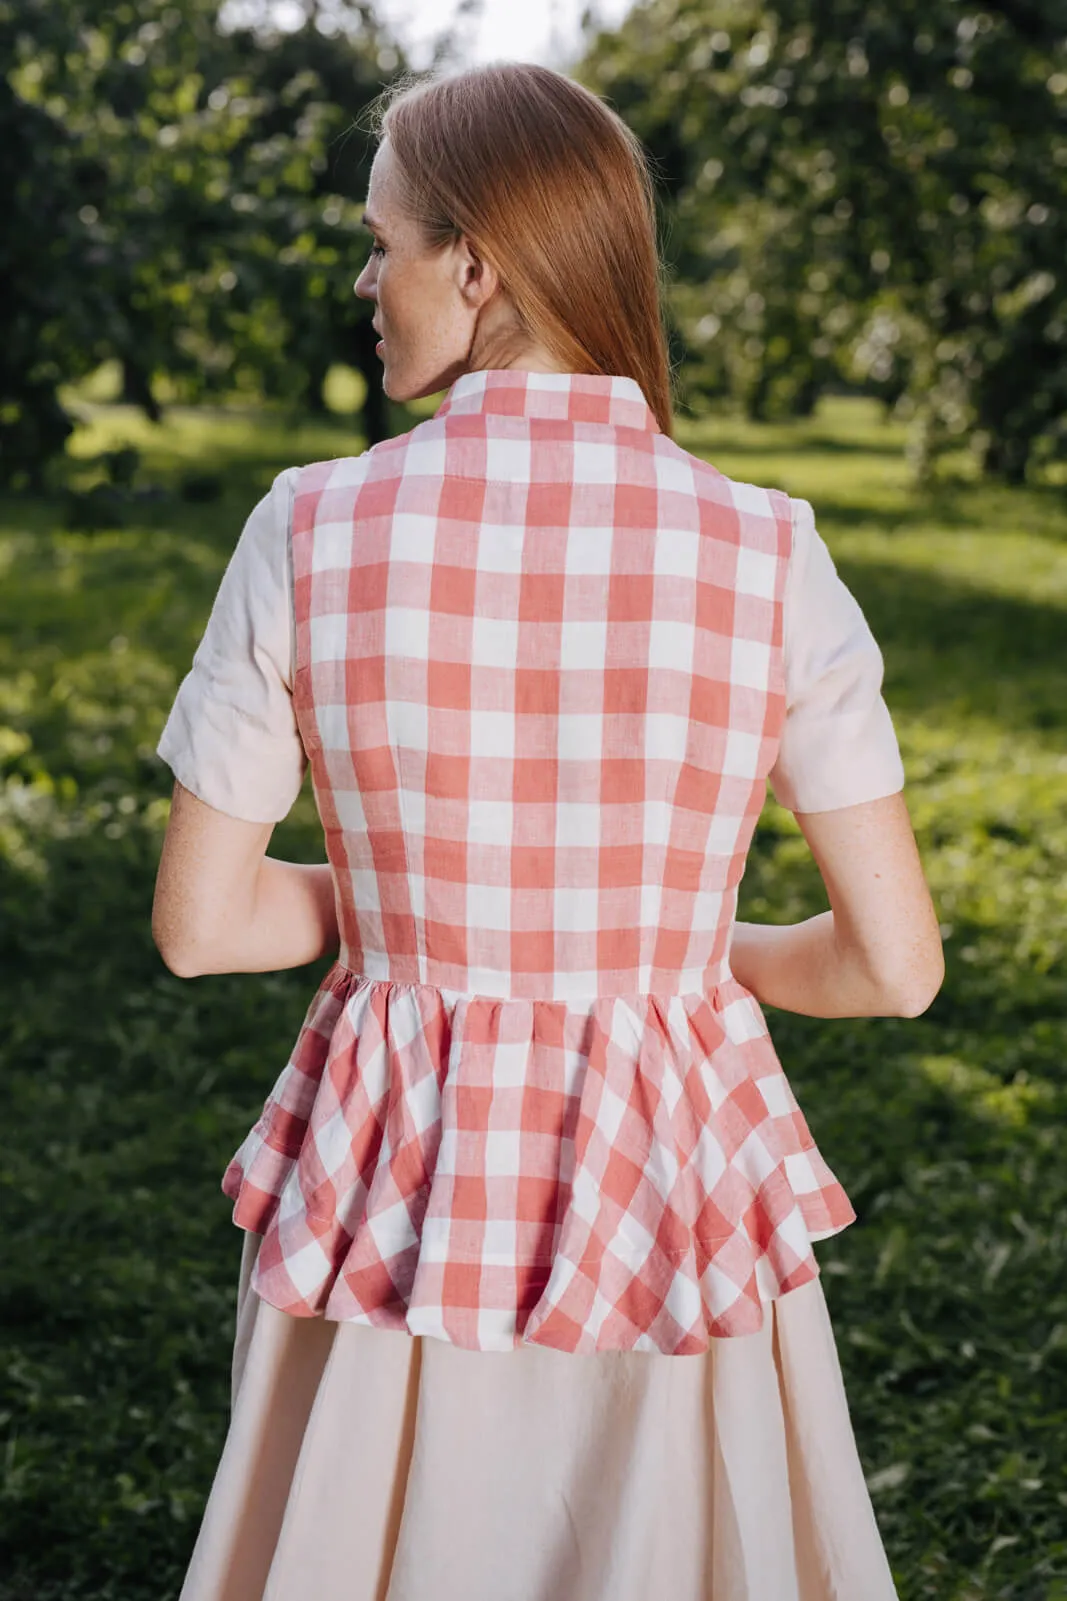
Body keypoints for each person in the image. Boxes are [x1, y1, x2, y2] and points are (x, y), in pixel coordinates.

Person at [152, 60, 943, 1601]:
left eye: (380, 242)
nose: (364, 281)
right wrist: (655, 944)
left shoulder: (307, 524)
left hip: (390, 1190)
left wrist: (419, 896)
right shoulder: (770, 548)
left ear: (479, 259)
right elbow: (890, 969)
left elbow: (201, 928)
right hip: (675, 1198)